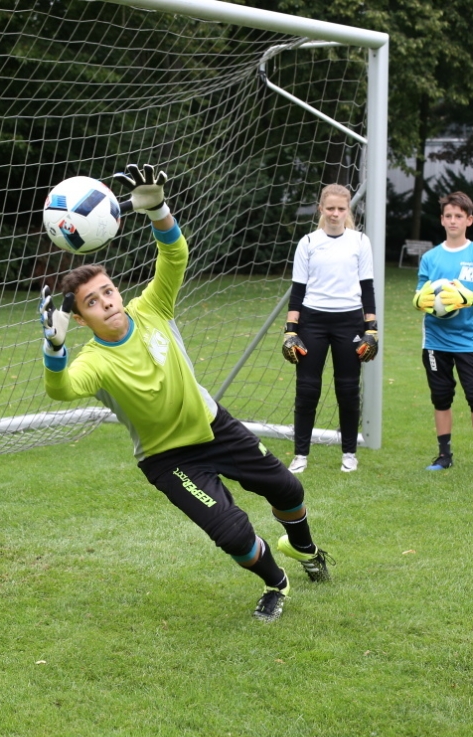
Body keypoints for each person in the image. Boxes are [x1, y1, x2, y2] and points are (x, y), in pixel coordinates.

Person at [40, 163, 332, 623]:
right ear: (80, 320)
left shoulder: (151, 308)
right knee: (233, 533)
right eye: (92, 302)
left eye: (108, 291)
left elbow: (174, 256)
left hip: (213, 425)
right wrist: (54, 349)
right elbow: (62, 389)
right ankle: (277, 583)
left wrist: (158, 210)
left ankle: (306, 549)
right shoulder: (93, 360)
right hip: (168, 460)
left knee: (287, 488)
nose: (107, 302)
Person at [412, 192, 473, 476]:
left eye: (459, 216)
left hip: (468, 342)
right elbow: (420, 294)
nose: (453, 221)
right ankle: (444, 456)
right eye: (448, 216)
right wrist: (419, 300)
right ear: (442, 220)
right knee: (441, 398)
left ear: (469, 220)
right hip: (434, 343)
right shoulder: (430, 258)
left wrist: (470, 298)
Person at [282, 183, 378, 474]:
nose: (335, 214)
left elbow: (367, 288)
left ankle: (349, 453)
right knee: (307, 389)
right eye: (330, 208)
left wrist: (371, 328)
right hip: (313, 321)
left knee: (348, 390)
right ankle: (300, 455)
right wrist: (290, 329)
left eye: (341, 208)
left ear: (348, 209)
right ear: (320, 209)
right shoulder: (308, 243)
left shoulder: (360, 241)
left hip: (349, 320)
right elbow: (297, 290)